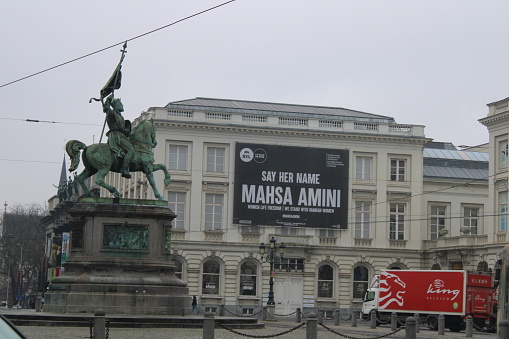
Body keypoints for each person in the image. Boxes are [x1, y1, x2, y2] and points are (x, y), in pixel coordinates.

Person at [102, 94, 135, 178]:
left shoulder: (120, 115)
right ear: (116, 105)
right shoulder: (112, 113)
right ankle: (124, 169)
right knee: (130, 150)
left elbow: (123, 128)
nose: (122, 105)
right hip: (116, 136)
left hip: (121, 135)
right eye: (120, 104)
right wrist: (108, 99)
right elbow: (106, 109)